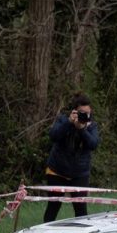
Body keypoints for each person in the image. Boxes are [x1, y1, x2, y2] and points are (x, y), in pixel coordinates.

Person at [43, 93, 101, 222]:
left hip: (80, 174)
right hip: (57, 171)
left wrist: (82, 130)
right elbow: (53, 136)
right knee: (53, 207)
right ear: (74, 111)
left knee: (81, 210)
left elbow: (93, 144)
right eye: (81, 112)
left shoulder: (92, 126)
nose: (84, 116)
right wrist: (69, 123)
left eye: (87, 113)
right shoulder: (63, 120)